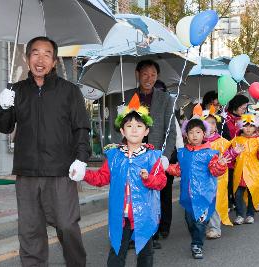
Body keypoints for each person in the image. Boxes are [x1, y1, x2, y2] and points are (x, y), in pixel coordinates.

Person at [0, 36, 90, 266]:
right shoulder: (16, 90)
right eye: (35, 53)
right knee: (30, 233)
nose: (41, 59)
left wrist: (81, 159)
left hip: (61, 172)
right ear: (27, 58)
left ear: (54, 61)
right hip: (27, 173)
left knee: (67, 226)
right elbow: (4, 126)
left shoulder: (69, 91)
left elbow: (81, 128)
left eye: (47, 54)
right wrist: (4, 107)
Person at [80, 94, 167, 267]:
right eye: (129, 126)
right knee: (116, 252)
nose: (134, 130)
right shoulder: (114, 156)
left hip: (144, 215)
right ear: (122, 130)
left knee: (145, 253)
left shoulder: (152, 157)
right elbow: (101, 177)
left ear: (146, 131)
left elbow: (161, 182)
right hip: (122, 216)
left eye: (139, 126)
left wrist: (148, 178)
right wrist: (83, 174)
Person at [111, 59, 177, 248]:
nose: (149, 78)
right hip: (133, 154)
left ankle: (154, 234)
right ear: (137, 74)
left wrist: (165, 155)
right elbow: (119, 129)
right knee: (133, 194)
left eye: (153, 75)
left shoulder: (166, 99)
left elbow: (170, 131)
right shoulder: (128, 98)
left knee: (157, 195)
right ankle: (133, 233)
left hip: (155, 154)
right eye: (145, 74)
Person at [167, 111, 229, 259]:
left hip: (205, 196)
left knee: (200, 223)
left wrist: (220, 165)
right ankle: (196, 237)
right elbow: (178, 170)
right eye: (191, 132)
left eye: (198, 132)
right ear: (186, 135)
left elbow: (215, 171)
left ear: (204, 134)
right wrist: (165, 166)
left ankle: (197, 245)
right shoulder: (182, 153)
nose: (194, 135)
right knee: (190, 222)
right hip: (188, 196)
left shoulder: (210, 153)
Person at [203, 113, 243, 239]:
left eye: (213, 123)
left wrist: (234, 152)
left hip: (218, 178)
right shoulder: (196, 141)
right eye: (206, 122)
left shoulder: (222, 142)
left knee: (215, 202)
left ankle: (214, 228)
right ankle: (202, 226)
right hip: (201, 178)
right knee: (202, 202)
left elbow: (227, 157)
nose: (210, 125)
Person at [230, 114, 259, 225]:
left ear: (255, 127)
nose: (248, 128)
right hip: (240, 172)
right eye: (246, 126)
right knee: (238, 194)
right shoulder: (236, 140)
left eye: (251, 126)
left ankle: (250, 214)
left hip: (254, 173)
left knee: (252, 193)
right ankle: (240, 215)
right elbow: (231, 156)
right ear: (241, 127)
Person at [224, 94, 250, 210]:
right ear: (236, 105)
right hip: (229, 154)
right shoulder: (226, 118)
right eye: (243, 108)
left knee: (239, 179)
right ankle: (230, 201)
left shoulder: (244, 119)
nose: (244, 111)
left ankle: (237, 201)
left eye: (245, 108)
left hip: (242, 155)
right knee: (229, 179)